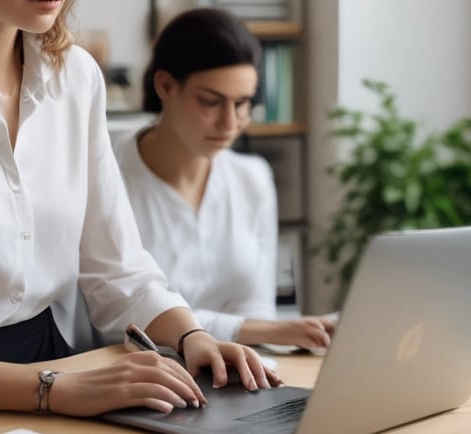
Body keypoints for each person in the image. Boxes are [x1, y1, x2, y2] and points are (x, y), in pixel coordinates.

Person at [0, 0, 280, 417]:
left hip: (53, 365)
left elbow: (118, 270)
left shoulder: (76, 75)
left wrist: (191, 336)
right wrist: (53, 390)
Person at [115, 8, 335, 351]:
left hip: (234, 367)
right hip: (139, 368)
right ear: (165, 86)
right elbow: (121, 314)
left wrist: (282, 335)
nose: (230, 124)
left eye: (242, 103)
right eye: (211, 102)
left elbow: (257, 311)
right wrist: (265, 331)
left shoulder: (253, 179)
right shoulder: (110, 174)